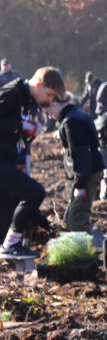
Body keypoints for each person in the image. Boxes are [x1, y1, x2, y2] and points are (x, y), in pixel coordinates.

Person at [0, 67, 66, 260]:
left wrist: (29, 132)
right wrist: (21, 126)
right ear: (38, 84)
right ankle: (11, 245)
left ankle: (8, 252)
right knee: (34, 192)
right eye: (49, 94)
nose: (49, 100)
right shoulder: (12, 92)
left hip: (8, 161)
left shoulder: (31, 100)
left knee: (6, 216)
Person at [47, 97, 105, 233]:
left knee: (77, 219)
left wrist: (81, 185)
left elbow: (81, 154)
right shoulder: (77, 114)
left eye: (48, 111)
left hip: (87, 174)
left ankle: (85, 252)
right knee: (70, 217)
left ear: (54, 103)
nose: (49, 116)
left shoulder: (71, 121)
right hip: (88, 172)